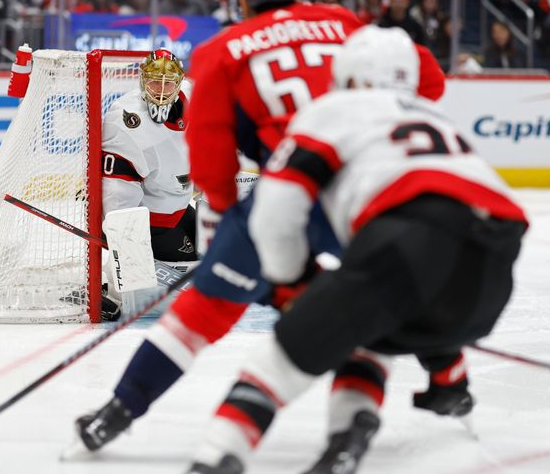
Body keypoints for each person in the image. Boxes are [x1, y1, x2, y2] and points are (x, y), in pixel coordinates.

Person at [67, 0, 448, 459]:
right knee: (370, 304)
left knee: (201, 313)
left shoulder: (222, 50)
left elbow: (212, 163)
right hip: (365, 191)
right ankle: (383, 412)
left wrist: (226, 224)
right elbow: (431, 83)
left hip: (288, 192)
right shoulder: (341, 22)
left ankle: (116, 412)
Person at [186, 26, 528, 474]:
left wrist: (292, 281)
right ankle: (354, 436)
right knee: (372, 319)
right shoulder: (432, 114)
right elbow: (440, 256)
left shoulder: (334, 109)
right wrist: (449, 380)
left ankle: (216, 454)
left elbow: (276, 209)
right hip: (495, 271)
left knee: (283, 358)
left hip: (412, 237)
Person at [98, 48, 197, 320]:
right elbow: (118, 199)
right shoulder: (127, 122)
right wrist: (125, 246)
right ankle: (116, 288)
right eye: (155, 81)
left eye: (168, 83)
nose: (162, 90)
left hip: (178, 208)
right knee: (201, 262)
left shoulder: (195, 99)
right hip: (154, 223)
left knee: (218, 244)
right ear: (142, 80)